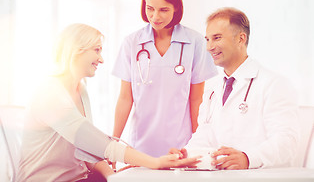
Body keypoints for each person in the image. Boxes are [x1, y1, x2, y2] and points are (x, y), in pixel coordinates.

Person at [17, 24, 200, 182]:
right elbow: (94, 142)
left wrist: (112, 175)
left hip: (80, 178)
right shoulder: (49, 93)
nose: (101, 59)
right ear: (76, 51)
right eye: (96, 50)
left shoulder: (81, 89)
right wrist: (155, 162)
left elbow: (85, 150)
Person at [170, 7, 300, 169]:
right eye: (208, 40)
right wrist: (187, 154)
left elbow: (287, 141)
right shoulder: (213, 87)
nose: (209, 47)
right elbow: (206, 134)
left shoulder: (274, 84)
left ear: (241, 38)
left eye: (217, 38)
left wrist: (248, 158)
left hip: (263, 177)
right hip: (225, 176)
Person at [112, 0, 217, 157]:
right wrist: (113, 143)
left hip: (180, 146)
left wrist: (197, 146)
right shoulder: (132, 43)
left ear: (176, 7)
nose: (155, 17)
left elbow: (196, 100)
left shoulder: (195, 42)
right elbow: (125, 98)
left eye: (163, 10)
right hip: (141, 146)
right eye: (150, 9)